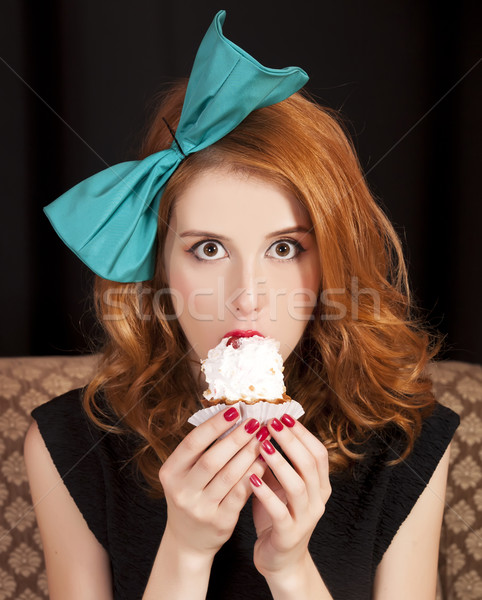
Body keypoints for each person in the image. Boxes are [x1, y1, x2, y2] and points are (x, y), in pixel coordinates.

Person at [24, 10, 459, 600]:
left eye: (283, 248)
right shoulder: (71, 444)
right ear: (159, 265)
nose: (246, 297)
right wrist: (184, 552)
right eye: (207, 248)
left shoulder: (407, 439)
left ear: (329, 260)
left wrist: (291, 569)